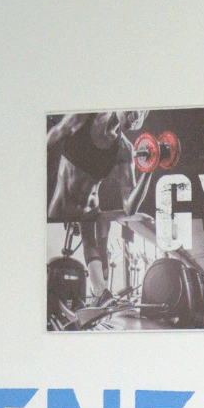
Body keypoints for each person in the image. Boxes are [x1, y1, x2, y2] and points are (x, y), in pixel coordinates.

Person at [47, 111, 145, 300]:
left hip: (90, 211)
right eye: (132, 110)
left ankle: (101, 292)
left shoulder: (125, 148)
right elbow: (48, 142)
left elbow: (130, 208)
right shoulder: (83, 118)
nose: (135, 116)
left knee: (94, 240)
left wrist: (148, 171)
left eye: (142, 113)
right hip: (61, 208)